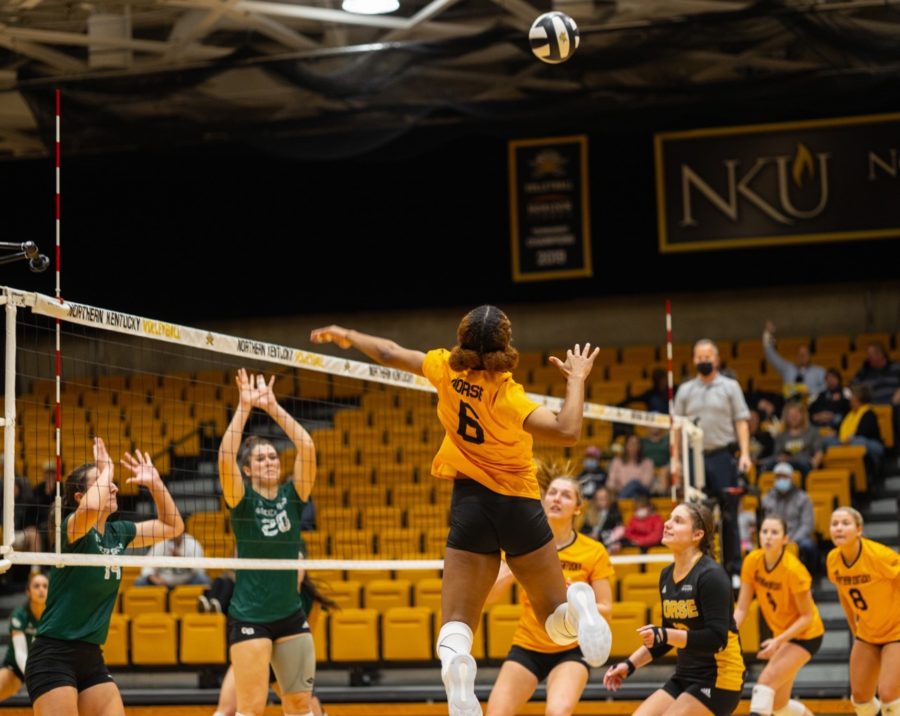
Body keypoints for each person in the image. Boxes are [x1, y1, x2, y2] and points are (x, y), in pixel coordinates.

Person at [311, 306, 611, 716]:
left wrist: (346, 332)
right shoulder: (509, 396)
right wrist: (576, 379)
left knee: (456, 623)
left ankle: (456, 668)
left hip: (471, 504)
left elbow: (388, 352)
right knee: (555, 623)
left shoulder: (443, 370)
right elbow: (567, 430)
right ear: (506, 345)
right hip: (520, 504)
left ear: (462, 339)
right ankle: (578, 602)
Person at [24, 437, 184, 715]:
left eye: (110, 479)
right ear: (79, 496)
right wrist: (106, 466)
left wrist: (156, 484)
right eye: (101, 481)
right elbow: (88, 510)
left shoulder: (118, 532)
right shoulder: (70, 530)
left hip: (91, 657)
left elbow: (173, 526)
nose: (114, 486)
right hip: (53, 656)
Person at [218, 368, 318, 716]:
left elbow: (306, 446)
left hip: (291, 614)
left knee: (300, 704)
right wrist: (245, 407)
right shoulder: (241, 501)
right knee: (251, 707)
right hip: (250, 617)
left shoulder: (293, 495)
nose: (270, 461)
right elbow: (224, 459)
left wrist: (273, 407)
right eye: (260, 458)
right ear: (247, 470)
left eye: (273, 456)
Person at [484, 463, 614, 716]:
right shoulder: (520, 545)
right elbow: (488, 598)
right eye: (552, 493)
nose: (556, 498)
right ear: (543, 501)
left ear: (577, 508)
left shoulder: (593, 551)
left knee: (558, 712)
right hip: (528, 644)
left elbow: (606, 610)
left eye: (566, 495)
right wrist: (515, 565)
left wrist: (579, 603)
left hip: (571, 649)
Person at [603, 502, 745, 716]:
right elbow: (665, 637)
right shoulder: (666, 575)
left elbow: (717, 639)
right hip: (685, 676)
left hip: (719, 680)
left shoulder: (711, 576)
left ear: (697, 534)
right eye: (669, 518)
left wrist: (665, 634)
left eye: (678, 521)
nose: (667, 524)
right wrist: (629, 665)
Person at [672, 339, 752, 583]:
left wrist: (745, 453)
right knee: (697, 514)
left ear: (716, 360)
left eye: (708, 356)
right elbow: (676, 427)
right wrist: (675, 459)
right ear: (694, 359)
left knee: (729, 513)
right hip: (694, 457)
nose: (704, 360)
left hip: (722, 456)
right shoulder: (685, 390)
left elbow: (741, 420)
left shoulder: (730, 387)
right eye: (699, 356)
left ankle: (734, 569)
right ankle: (700, 568)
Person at [734, 515, 824, 716]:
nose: (768, 537)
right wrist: (726, 633)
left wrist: (778, 641)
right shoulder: (752, 561)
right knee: (778, 706)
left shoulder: (794, 570)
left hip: (806, 635)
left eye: (774, 533)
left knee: (763, 687)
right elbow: (742, 608)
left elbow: (806, 617)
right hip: (782, 636)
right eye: (764, 531)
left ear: (785, 538)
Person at [212, 572, 336, 716]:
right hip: (256, 650)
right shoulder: (261, 593)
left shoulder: (307, 601)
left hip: (283, 658)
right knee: (226, 710)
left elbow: (304, 637)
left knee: (304, 706)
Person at [827, 506, 900, 716]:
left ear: (859, 529)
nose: (839, 528)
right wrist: (855, 628)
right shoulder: (833, 559)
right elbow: (844, 594)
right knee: (860, 698)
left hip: (895, 631)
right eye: (834, 524)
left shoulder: (879, 555)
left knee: (887, 694)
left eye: (845, 523)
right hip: (867, 633)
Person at [760, 463, 818, 576]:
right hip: (773, 536)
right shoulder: (766, 498)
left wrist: (792, 539)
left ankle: (810, 578)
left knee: (808, 546)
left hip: (796, 537)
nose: (781, 480)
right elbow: (762, 522)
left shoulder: (803, 498)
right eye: (778, 477)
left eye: (784, 477)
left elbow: (807, 525)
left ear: (791, 478)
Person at [0, 572, 48, 702]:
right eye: (36, 586)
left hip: (45, 668)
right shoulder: (20, 615)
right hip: (16, 668)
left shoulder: (53, 616)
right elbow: (20, 653)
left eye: (45, 586)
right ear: (28, 591)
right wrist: (33, 676)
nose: (41, 589)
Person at [822, 384, 884, 479]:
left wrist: (850, 439)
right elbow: (840, 429)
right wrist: (835, 433)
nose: (850, 399)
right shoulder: (849, 414)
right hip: (847, 441)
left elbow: (865, 432)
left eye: (852, 396)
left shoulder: (869, 413)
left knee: (858, 441)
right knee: (827, 440)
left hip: (870, 444)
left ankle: (868, 472)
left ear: (858, 398)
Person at [762, 322, 826, 399]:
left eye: (805, 354)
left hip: (812, 407)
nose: (802, 356)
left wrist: (811, 392)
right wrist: (767, 334)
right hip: (789, 406)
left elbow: (827, 387)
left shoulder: (820, 371)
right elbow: (771, 355)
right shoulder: (787, 368)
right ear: (796, 356)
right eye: (800, 354)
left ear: (809, 356)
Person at [760, 401, 823, 478]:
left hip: (803, 463)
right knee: (767, 464)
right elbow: (777, 454)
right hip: (784, 464)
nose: (794, 418)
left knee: (804, 464)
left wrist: (815, 463)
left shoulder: (812, 432)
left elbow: (819, 451)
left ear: (803, 415)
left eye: (796, 414)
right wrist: (782, 458)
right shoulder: (781, 435)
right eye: (790, 415)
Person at [135, 531, 210, 588]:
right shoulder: (160, 544)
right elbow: (147, 568)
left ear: (182, 530)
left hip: (188, 582)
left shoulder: (192, 543)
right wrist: (153, 578)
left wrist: (181, 559)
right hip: (163, 583)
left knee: (203, 580)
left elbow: (200, 570)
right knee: (140, 582)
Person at [579, 486, 624, 553]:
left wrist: (599, 536)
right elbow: (583, 531)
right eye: (600, 498)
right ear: (595, 499)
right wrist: (590, 535)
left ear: (609, 498)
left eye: (605, 497)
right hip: (591, 543)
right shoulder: (590, 512)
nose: (603, 499)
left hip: (606, 543)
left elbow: (618, 530)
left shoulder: (614, 512)